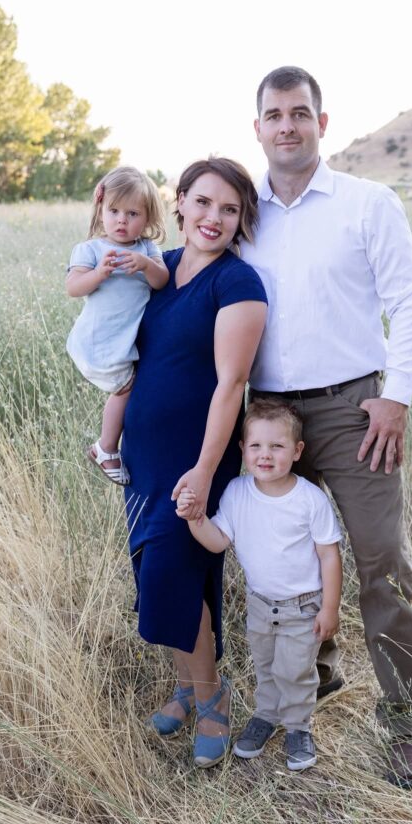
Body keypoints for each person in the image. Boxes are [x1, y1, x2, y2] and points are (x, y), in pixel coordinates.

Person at [240, 66, 412, 789]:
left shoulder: (365, 203)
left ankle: (408, 723)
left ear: (322, 123)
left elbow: (409, 301)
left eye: (299, 113)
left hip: (354, 408)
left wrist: (397, 395)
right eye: (273, 114)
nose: (286, 125)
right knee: (283, 562)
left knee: (381, 563)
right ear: (255, 127)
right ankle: (310, 684)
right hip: (267, 417)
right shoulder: (241, 211)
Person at [120, 157, 268, 768]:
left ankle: (214, 700)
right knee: (156, 571)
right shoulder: (165, 269)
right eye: (203, 202)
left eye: (229, 209)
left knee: (179, 577)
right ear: (178, 202)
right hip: (145, 455)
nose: (214, 217)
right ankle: (188, 687)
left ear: (241, 221)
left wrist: (207, 470)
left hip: (195, 454)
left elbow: (230, 384)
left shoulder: (237, 284)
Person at [176, 398, 342, 771]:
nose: (265, 455)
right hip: (261, 603)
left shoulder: (310, 500)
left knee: (295, 670)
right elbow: (218, 540)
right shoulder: (236, 493)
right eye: (256, 446)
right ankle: (266, 716)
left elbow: (329, 556)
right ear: (242, 450)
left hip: (304, 605)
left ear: (297, 451)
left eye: (277, 446)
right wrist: (192, 518)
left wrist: (330, 608)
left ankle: (299, 727)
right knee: (265, 666)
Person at [66, 166, 168, 484]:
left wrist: (146, 265)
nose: (122, 220)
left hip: (120, 341)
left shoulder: (147, 250)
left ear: (148, 218)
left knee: (131, 387)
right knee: (125, 388)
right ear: (101, 210)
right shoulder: (91, 249)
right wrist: (99, 273)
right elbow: (73, 287)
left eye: (132, 213)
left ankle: (112, 445)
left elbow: (162, 281)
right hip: (97, 339)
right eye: (114, 211)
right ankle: (106, 448)